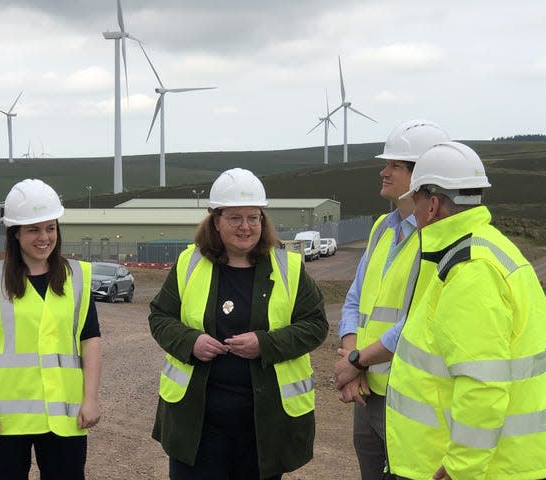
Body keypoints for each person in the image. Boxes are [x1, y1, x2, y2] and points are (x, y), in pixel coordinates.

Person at [149, 167, 328, 480]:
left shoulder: (289, 268)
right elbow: (160, 316)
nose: (246, 227)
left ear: (263, 221)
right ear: (216, 222)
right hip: (197, 426)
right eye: (235, 218)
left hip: (263, 428)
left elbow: (315, 325)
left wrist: (265, 344)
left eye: (253, 218)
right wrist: (191, 341)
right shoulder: (189, 264)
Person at [385, 142, 546, 479]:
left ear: (431, 205)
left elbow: (483, 383)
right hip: (500, 462)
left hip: (479, 468)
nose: (413, 214)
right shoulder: (489, 247)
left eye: (415, 202)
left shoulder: (470, 270)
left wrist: (461, 468)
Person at [333, 119, 451, 479]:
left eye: (395, 165)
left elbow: (419, 319)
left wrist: (356, 361)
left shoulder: (439, 240)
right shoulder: (382, 229)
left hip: (411, 396)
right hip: (368, 390)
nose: (384, 171)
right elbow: (354, 301)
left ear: (421, 176)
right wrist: (352, 363)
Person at [0, 179, 101, 480]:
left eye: (50, 228)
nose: (44, 237)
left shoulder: (78, 277)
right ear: (15, 234)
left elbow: (90, 340)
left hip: (64, 418)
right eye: (33, 229)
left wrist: (90, 398)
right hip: (6, 419)